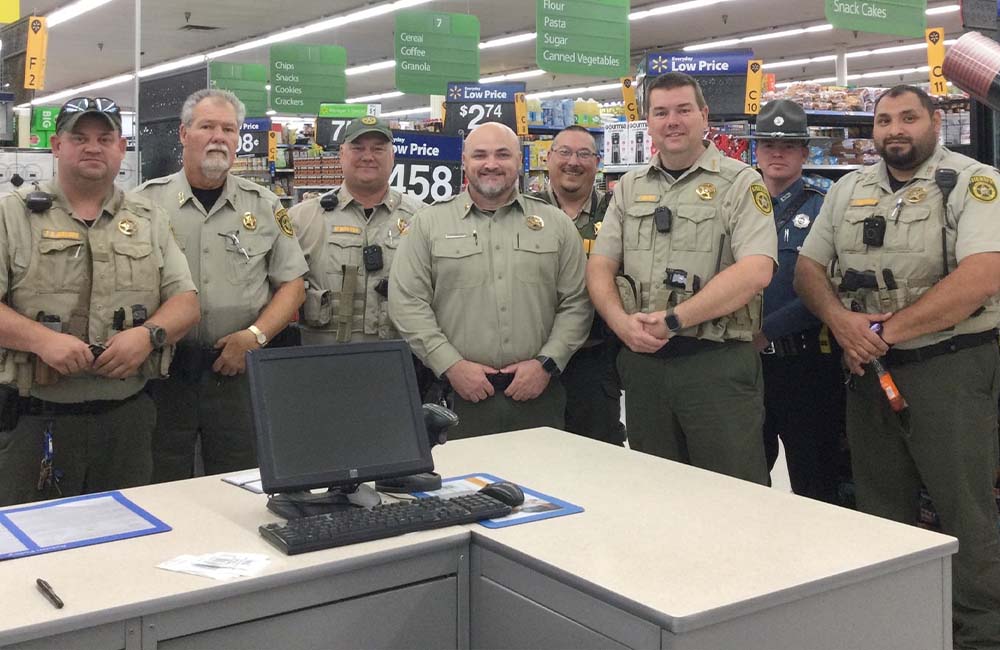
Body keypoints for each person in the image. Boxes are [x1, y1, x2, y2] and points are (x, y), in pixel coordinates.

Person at [794, 84, 1000, 649]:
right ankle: (895, 625)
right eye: (884, 120)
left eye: (908, 118)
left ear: (934, 121)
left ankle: (979, 633)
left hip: (949, 369)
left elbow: (981, 276)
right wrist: (841, 321)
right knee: (879, 506)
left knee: (964, 508)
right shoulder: (849, 189)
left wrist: (879, 335)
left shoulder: (974, 182)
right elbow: (809, 269)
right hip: (867, 375)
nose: (894, 130)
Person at [0, 96, 199, 506]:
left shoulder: (149, 219)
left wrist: (148, 335)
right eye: (80, 138)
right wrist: (42, 340)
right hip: (35, 421)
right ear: (57, 145)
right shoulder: (12, 215)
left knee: (126, 532)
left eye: (105, 138)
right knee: (36, 537)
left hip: (126, 420)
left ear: (121, 148)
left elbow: (186, 302)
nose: (93, 147)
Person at [587, 72, 776, 484]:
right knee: (656, 489)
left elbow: (756, 270)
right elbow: (600, 264)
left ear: (704, 116)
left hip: (716, 365)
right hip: (644, 365)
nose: (672, 121)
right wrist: (621, 324)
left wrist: (675, 319)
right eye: (661, 112)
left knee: (733, 490)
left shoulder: (741, 182)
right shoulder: (629, 187)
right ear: (648, 123)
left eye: (683, 110)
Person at [136, 89, 306, 481]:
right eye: (207, 126)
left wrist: (255, 336)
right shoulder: (145, 204)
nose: (219, 137)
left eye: (228, 129)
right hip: (164, 371)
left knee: (240, 482)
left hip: (237, 374)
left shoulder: (264, 205)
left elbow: (293, 284)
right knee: (161, 482)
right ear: (184, 134)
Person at [389, 122, 591, 439]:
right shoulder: (428, 224)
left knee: (541, 470)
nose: (491, 164)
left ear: (520, 161)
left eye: (503, 154)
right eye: (480, 155)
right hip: (457, 399)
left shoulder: (556, 225)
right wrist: (450, 365)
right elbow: (407, 302)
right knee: (460, 474)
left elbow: (577, 303)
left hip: (539, 396)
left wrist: (547, 363)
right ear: (465, 162)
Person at [745, 100, 843, 503]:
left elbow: (830, 288)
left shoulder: (826, 204)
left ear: (805, 152)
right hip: (747, 366)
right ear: (757, 151)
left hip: (806, 365)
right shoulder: (737, 203)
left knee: (815, 480)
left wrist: (767, 331)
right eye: (769, 145)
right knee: (747, 477)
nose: (778, 153)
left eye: (788, 145)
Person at [290, 117, 423, 345]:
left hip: (399, 357)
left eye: (378, 149)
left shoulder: (422, 218)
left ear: (393, 156)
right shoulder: (301, 219)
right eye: (358, 148)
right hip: (320, 358)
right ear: (341, 154)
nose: (368, 156)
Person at [530, 125, 625, 445]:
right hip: (532, 358)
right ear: (548, 158)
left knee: (597, 453)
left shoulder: (617, 212)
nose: (573, 162)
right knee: (536, 449)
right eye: (565, 152)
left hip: (595, 359)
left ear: (597, 163)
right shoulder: (523, 210)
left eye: (584, 154)